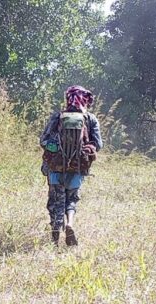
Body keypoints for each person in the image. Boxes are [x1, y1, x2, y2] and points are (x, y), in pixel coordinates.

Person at [40, 85, 103, 246]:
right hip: (78, 168)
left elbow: (44, 141)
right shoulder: (90, 119)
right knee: (71, 199)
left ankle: (54, 239)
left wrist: (56, 150)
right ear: (85, 99)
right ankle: (70, 224)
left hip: (55, 168)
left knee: (56, 202)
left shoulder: (57, 116)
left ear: (68, 98)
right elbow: (98, 144)